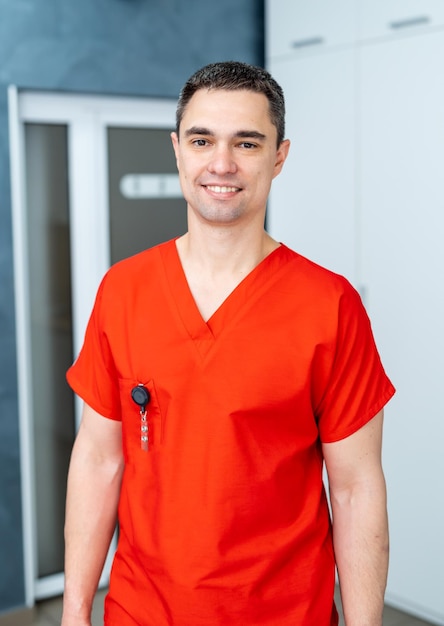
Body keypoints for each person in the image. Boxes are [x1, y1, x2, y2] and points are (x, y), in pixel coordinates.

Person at [61, 61, 395, 626]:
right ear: (177, 150)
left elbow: (357, 488)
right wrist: (74, 613)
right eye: (202, 140)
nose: (222, 163)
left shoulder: (330, 305)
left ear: (279, 157)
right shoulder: (124, 290)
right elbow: (98, 460)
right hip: (143, 611)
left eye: (247, 142)